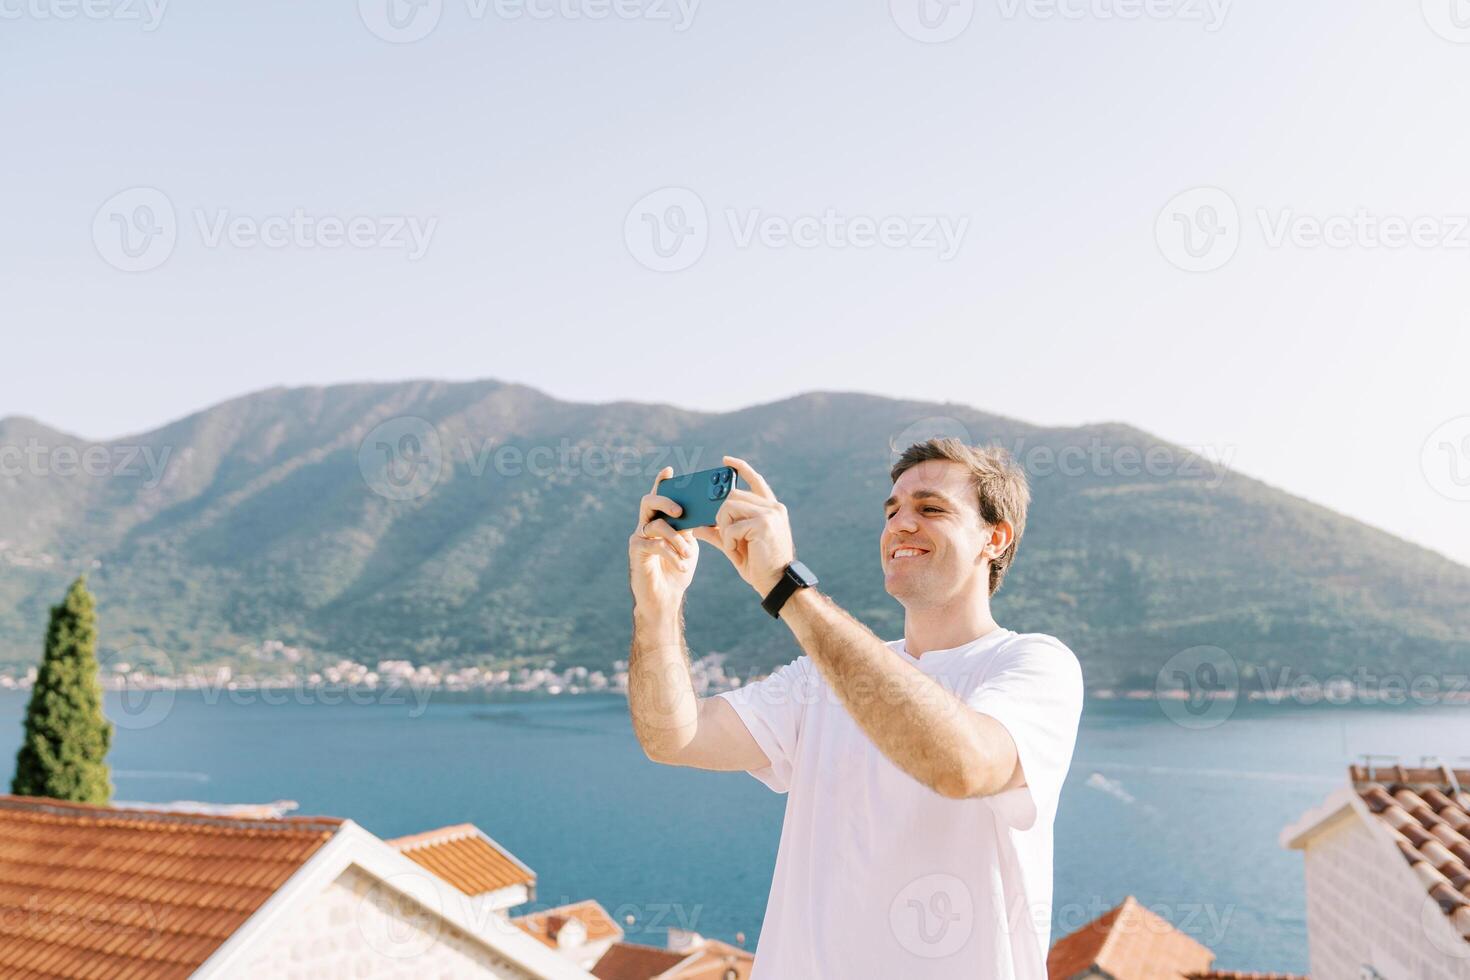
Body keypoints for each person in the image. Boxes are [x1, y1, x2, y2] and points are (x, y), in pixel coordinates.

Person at [625, 438, 1083, 979]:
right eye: (892, 511)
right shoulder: (819, 678)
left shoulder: (1034, 664)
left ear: (995, 537)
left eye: (931, 508)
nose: (901, 525)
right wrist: (657, 606)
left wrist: (786, 586)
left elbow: (963, 765)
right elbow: (673, 736)